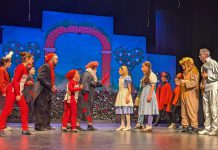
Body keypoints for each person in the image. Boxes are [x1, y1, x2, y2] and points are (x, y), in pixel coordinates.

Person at [0, 52, 34, 137]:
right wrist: (17, 94)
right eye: (31, 59)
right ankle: (0, 128)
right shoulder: (20, 67)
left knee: (25, 109)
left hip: (18, 91)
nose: (32, 60)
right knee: (7, 110)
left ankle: (25, 129)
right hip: (13, 91)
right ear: (27, 59)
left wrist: (27, 83)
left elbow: (20, 82)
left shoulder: (25, 69)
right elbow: (15, 81)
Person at [33, 53, 58, 131]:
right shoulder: (46, 66)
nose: (57, 61)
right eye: (56, 59)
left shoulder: (51, 68)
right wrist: (50, 86)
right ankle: (38, 126)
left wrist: (52, 87)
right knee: (41, 108)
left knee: (48, 109)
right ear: (51, 59)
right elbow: (40, 77)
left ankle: (46, 124)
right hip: (42, 90)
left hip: (47, 91)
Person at [198, 48, 218, 136]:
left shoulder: (213, 63)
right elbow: (203, 78)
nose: (199, 56)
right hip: (206, 88)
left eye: (200, 54)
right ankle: (207, 128)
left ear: (206, 54)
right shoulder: (202, 66)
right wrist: (202, 84)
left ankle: (215, 129)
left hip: (213, 87)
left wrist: (208, 76)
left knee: (213, 108)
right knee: (206, 109)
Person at [77, 61, 102, 131]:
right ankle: (77, 125)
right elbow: (85, 83)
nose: (96, 70)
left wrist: (99, 83)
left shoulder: (91, 75)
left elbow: (92, 83)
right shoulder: (87, 74)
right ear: (92, 68)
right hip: (85, 95)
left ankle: (89, 124)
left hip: (88, 94)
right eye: (95, 69)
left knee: (87, 110)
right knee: (83, 109)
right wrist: (86, 93)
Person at [179, 57, 199, 134]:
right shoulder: (185, 73)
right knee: (184, 111)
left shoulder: (194, 71)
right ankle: (185, 125)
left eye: (183, 65)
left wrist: (184, 82)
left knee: (191, 110)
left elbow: (194, 83)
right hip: (185, 93)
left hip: (191, 94)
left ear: (187, 64)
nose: (182, 67)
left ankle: (194, 126)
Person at [137, 61, 159, 133]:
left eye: (143, 66)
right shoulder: (145, 75)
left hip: (149, 92)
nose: (142, 68)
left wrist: (149, 95)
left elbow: (153, 86)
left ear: (147, 67)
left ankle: (149, 125)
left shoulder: (152, 75)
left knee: (149, 110)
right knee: (146, 110)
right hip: (145, 92)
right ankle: (147, 125)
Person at [115, 66, 133, 131]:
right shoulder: (120, 78)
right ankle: (122, 125)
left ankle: (128, 125)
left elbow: (130, 89)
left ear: (124, 71)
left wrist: (127, 97)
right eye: (119, 70)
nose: (119, 71)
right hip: (120, 94)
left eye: (120, 70)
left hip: (125, 94)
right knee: (122, 110)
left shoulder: (127, 78)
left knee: (126, 110)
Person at [0, 51, 13, 131]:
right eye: (9, 62)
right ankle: (2, 125)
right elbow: (1, 82)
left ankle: (3, 124)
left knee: (4, 108)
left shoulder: (4, 70)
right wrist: (3, 92)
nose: (10, 64)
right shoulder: (1, 69)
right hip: (2, 92)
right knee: (2, 108)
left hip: (5, 91)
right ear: (5, 62)